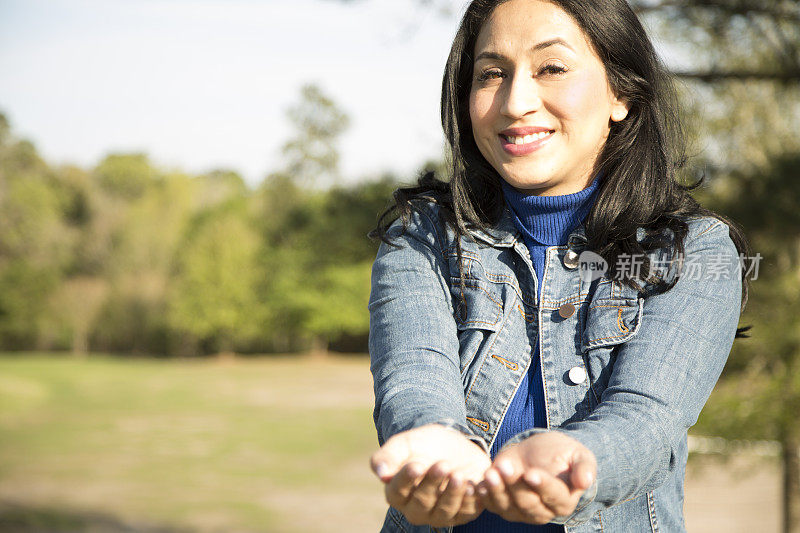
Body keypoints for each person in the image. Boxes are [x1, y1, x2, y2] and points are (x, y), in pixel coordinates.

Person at [367, 0, 750, 531]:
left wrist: (574, 462)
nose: (516, 101)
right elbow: (413, 380)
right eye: (492, 74)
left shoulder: (695, 251)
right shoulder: (423, 236)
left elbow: (644, 420)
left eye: (552, 68)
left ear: (622, 93)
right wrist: (431, 444)